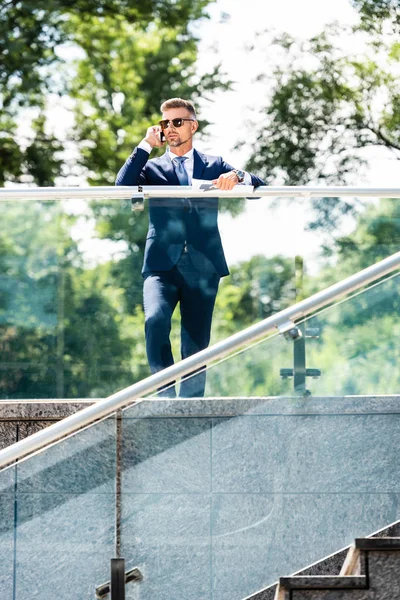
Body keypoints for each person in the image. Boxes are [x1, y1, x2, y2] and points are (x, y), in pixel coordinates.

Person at [115, 98, 264, 397]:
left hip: (202, 266)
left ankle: (190, 407)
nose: (170, 128)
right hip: (161, 265)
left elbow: (258, 187)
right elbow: (122, 186)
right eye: (165, 123)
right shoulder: (152, 168)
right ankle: (165, 396)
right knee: (154, 319)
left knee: (195, 343)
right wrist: (145, 145)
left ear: (192, 125)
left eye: (177, 122)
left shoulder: (215, 164)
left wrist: (237, 177)